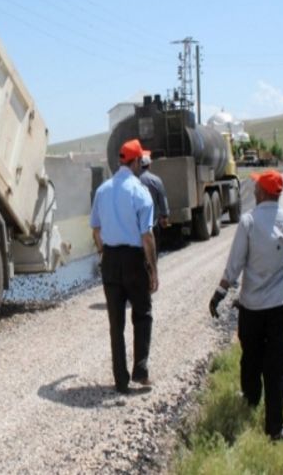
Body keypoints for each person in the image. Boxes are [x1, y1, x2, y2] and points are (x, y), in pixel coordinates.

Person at [209, 169, 283, 441]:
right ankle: (275, 428)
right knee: (278, 365)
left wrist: (219, 293)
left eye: (256, 187)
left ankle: (250, 400)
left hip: (251, 308)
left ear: (261, 192)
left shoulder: (248, 222)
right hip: (279, 308)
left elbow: (234, 265)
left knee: (250, 357)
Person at [90, 139, 159, 393]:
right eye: (141, 160)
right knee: (142, 314)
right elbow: (147, 236)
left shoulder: (102, 190)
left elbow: (96, 229)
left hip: (110, 259)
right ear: (137, 161)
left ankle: (120, 380)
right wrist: (152, 268)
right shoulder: (140, 192)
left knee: (115, 323)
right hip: (133, 260)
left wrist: (102, 253)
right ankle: (140, 370)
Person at [136, 155, 170, 248]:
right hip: (153, 223)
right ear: (149, 165)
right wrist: (164, 215)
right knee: (153, 249)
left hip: (136, 225)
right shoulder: (155, 180)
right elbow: (162, 198)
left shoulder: (134, 181)